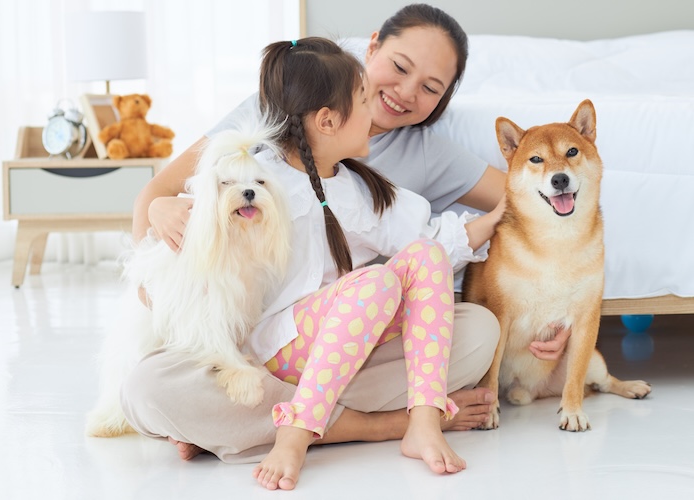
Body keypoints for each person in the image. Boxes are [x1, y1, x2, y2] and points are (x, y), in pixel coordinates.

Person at [121, 3, 569, 467]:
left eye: (430, 87)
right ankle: (360, 425)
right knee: (147, 389)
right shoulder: (256, 157)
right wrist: (157, 215)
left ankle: (258, 424)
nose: (402, 93)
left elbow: (443, 235)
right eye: (397, 68)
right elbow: (187, 208)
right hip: (256, 346)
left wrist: (517, 245)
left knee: (477, 329)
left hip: (347, 338)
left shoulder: (364, 185)